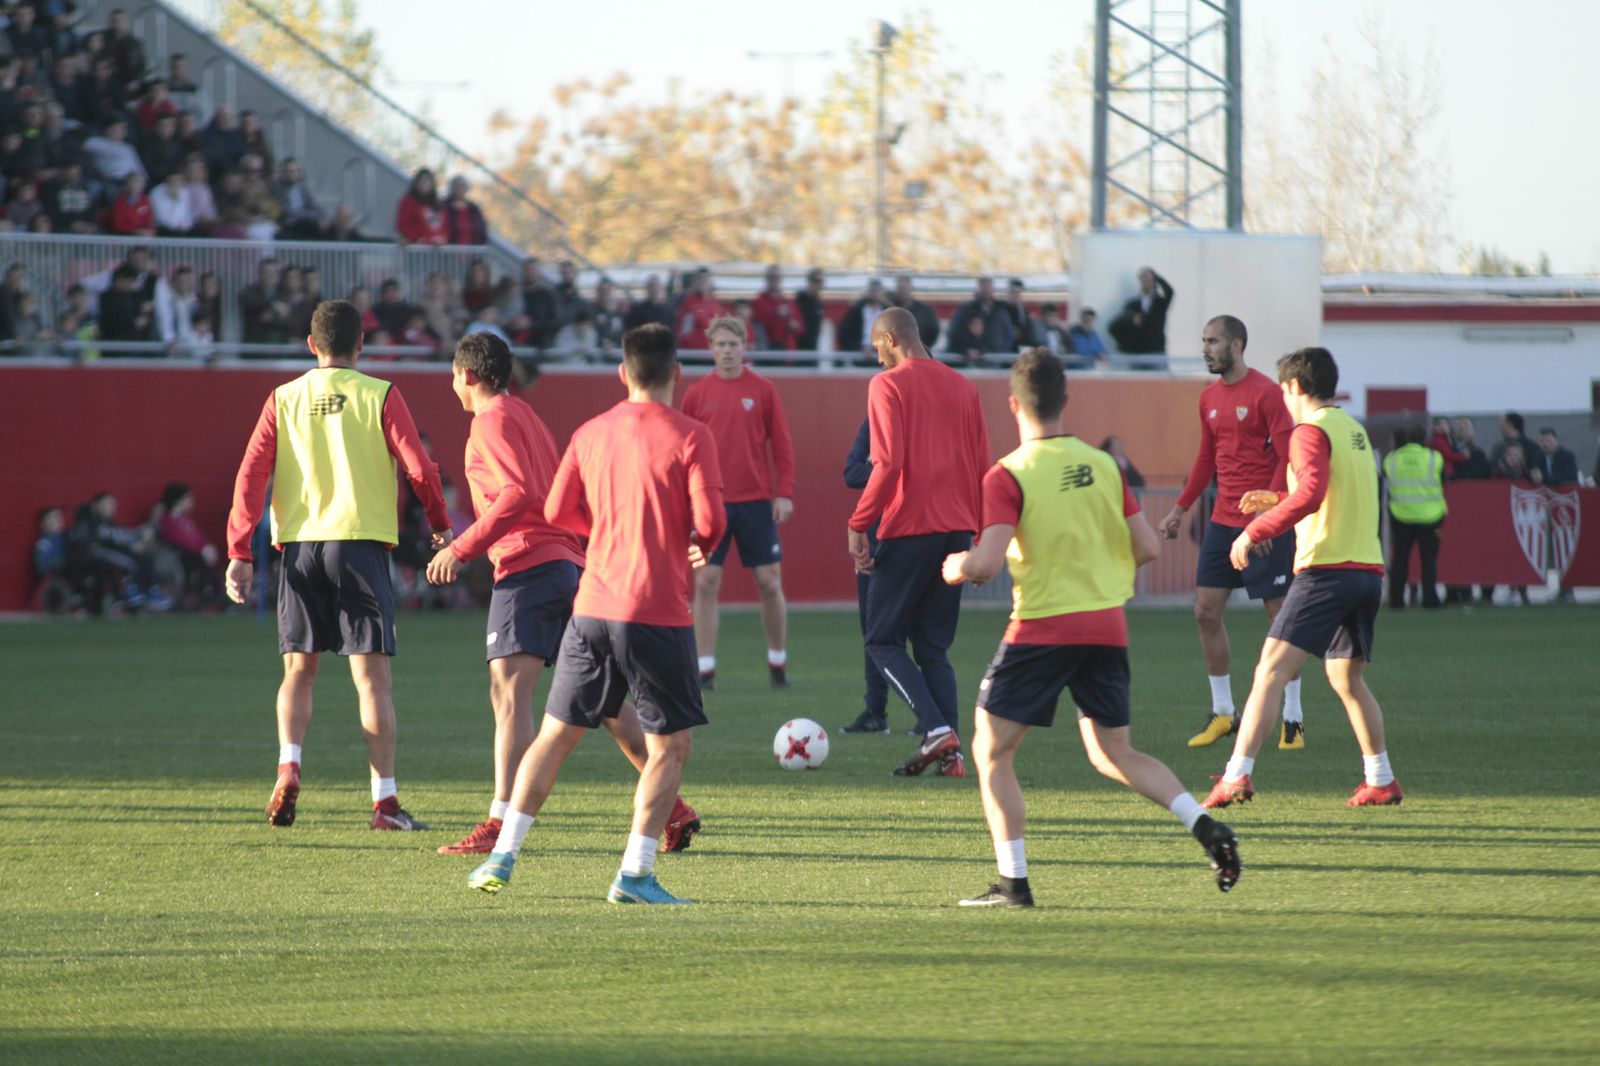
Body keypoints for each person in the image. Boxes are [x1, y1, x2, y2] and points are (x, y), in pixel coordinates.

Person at [941, 350, 1241, 906]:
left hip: (1043, 626)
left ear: (1012, 405)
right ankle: (1205, 826)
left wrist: (955, 564)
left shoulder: (1007, 473)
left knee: (991, 750)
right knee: (1113, 753)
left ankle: (1014, 884)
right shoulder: (1103, 465)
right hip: (1106, 626)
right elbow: (1148, 546)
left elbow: (984, 564)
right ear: (1066, 402)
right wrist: (1094, 574)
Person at [465, 323, 726, 904]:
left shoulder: (589, 432)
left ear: (622, 373)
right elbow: (710, 524)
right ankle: (634, 875)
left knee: (555, 736)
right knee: (670, 749)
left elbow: (558, 510)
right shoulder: (691, 435)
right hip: (656, 609)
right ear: (676, 373)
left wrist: (605, 531)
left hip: (591, 606)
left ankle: (502, 857)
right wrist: (689, 539)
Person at [223, 300, 452, 831]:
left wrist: (239, 552)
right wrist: (439, 523)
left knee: (298, 672)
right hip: (362, 544)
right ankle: (385, 804)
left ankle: (289, 765)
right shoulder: (381, 394)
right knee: (372, 681)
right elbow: (420, 468)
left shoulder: (282, 398)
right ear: (361, 346)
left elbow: (250, 475)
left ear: (311, 345)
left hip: (300, 546)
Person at [1201, 346, 1403, 811]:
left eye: (1283, 390)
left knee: (1269, 671)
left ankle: (1236, 776)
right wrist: (1274, 500)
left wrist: (1254, 531)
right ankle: (1381, 779)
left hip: (1326, 570)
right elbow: (1330, 493)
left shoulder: (1307, 431)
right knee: (1347, 679)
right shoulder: (1353, 430)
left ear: (1293, 387)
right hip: (1366, 573)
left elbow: (1311, 495)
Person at [850, 307, 990, 778]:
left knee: (882, 641)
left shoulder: (886, 386)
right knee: (932, 646)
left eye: (876, 348)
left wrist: (858, 524)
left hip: (909, 529)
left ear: (890, 339)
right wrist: (980, 539)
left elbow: (886, 464)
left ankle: (935, 730)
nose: (876, 359)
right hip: (956, 533)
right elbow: (982, 466)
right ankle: (951, 756)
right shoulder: (963, 386)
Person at [1159, 315, 1302, 750]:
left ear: (1237, 345)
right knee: (1205, 611)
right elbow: (1207, 460)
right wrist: (1179, 510)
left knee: (1279, 621)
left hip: (1265, 524)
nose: (1206, 348)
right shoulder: (1208, 399)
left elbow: (1286, 456)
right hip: (1223, 521)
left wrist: (1272, 509)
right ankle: (1224, 713)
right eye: (1203, 341)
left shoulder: (1266, 393)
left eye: (1213, 341)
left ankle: (1292, 717)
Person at [680, 316, 797, 690]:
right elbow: (683, 454)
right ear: (710, 348)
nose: (727, 351)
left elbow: (781, 446)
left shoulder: (763, 390)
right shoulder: (697, 394)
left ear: (744, 347)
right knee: (707, 581)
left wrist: (785, 493)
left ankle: (778, 662)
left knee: (769, 581)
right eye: (721, 345)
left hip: (756, 502)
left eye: (734, 344)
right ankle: (705, 668)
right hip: (711, 502)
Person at [840, 417, 891, 734]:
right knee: (872, 628)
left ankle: (933, 717)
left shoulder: (922, 418)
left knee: (921, 630)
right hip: (873, 534)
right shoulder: (873, 423)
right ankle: (876, 712)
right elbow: (851, 471)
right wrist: (890, 472)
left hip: (917, 532)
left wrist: (887, 470)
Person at [1382, 424, 1446, 610]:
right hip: (1430, 516)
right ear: (1425, 439)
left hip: (1401, 515)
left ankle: (1396, 600)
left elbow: (1386, 478)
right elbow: (1443, 479)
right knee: (1429, 560)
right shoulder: (1434, 458)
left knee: (1400, 559)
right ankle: (1430, 600)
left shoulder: (1391, 459)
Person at [1108, 267, 1173, 354]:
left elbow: (1170, 292)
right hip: (1138, 352)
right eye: (1142, 277)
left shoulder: (1160, 302)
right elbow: (1115, 327)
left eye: (1147, 277)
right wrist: (1131, 320)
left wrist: (1158, 278)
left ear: (1154, 280)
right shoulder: (1132, 304)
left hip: (1157, 351)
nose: (1144, 280)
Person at [947, 277, 1015, 358]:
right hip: (967, 359)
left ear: (993, 290)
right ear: (978, 290)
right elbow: (953, 333)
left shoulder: (1001, 311)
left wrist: (1003, 353)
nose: (986, 291)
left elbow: (1008, 334)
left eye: (988, 287)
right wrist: (965, 350)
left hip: (996, 358)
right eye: (983, 288)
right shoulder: (965, 309)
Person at [750, 265, 802, 351]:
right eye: (771, 277)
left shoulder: (789, 303)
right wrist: (775, 313)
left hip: (786, 352)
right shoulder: (759, 302)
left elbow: (800, 328)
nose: (774, 280)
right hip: (765, 350)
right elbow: (756, 323)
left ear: (781, 279)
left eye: (777, 277)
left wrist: (794, 325)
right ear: (766, 279)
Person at [673, 268, 724, 351]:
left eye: (706, 279)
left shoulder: (715, 303)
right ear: (695, 282)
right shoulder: (688, 303)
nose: (703, 282)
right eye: (700, 279)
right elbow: (683, 331)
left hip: (712, 353)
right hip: (693, 352)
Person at [835, 279, 888, 359]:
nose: (875, 294)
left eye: (877, 291)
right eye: (872, 291)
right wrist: (859, 348)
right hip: (858, 355)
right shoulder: (856, 311)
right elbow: (844, 334)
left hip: (881, 357)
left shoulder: (887, 313)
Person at [395, 167, 447, 245]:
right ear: (416, 183)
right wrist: (418, 238)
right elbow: (403, 225)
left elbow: (445, 226)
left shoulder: (439, 203)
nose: (424, 182)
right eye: (421, 179)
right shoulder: (407, 202)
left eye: (428, 180)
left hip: (438, 249)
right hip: (417, 249)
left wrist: (442, 238)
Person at [891, 275, 941, 349]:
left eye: (904, 288)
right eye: (899, 288)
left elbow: (934, 331)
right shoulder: (889, 309)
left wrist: (924, 348)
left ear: (911, 289)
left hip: (918, 351)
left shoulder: (925, 310)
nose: (902, 291)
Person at [442, 176, 488, 245]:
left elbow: (481, 229)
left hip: (472, 251)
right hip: (450, 250)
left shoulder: (474, 209)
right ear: (452, 188)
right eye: (457, 186)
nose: (459, 189)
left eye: (462, 186)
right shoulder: (444, 206)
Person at [794, 268, 827, 351]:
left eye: (821, 282)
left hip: (813, 350)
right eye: (816, 280)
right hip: (799, 351)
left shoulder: (818, 304)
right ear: (809, 281)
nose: (819, 285)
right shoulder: (798, 301)